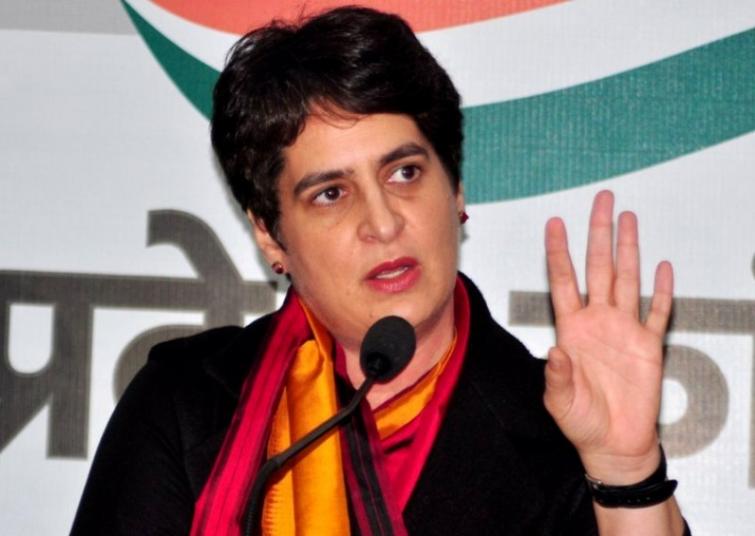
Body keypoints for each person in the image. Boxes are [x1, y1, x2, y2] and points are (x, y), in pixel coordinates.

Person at [72, 6, 690, 535]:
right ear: (270, 233)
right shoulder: (186, 404)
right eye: (331, 194)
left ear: (455, 188)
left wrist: (625, 470)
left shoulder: (562, 430)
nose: (384, 222)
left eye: (404, 172)